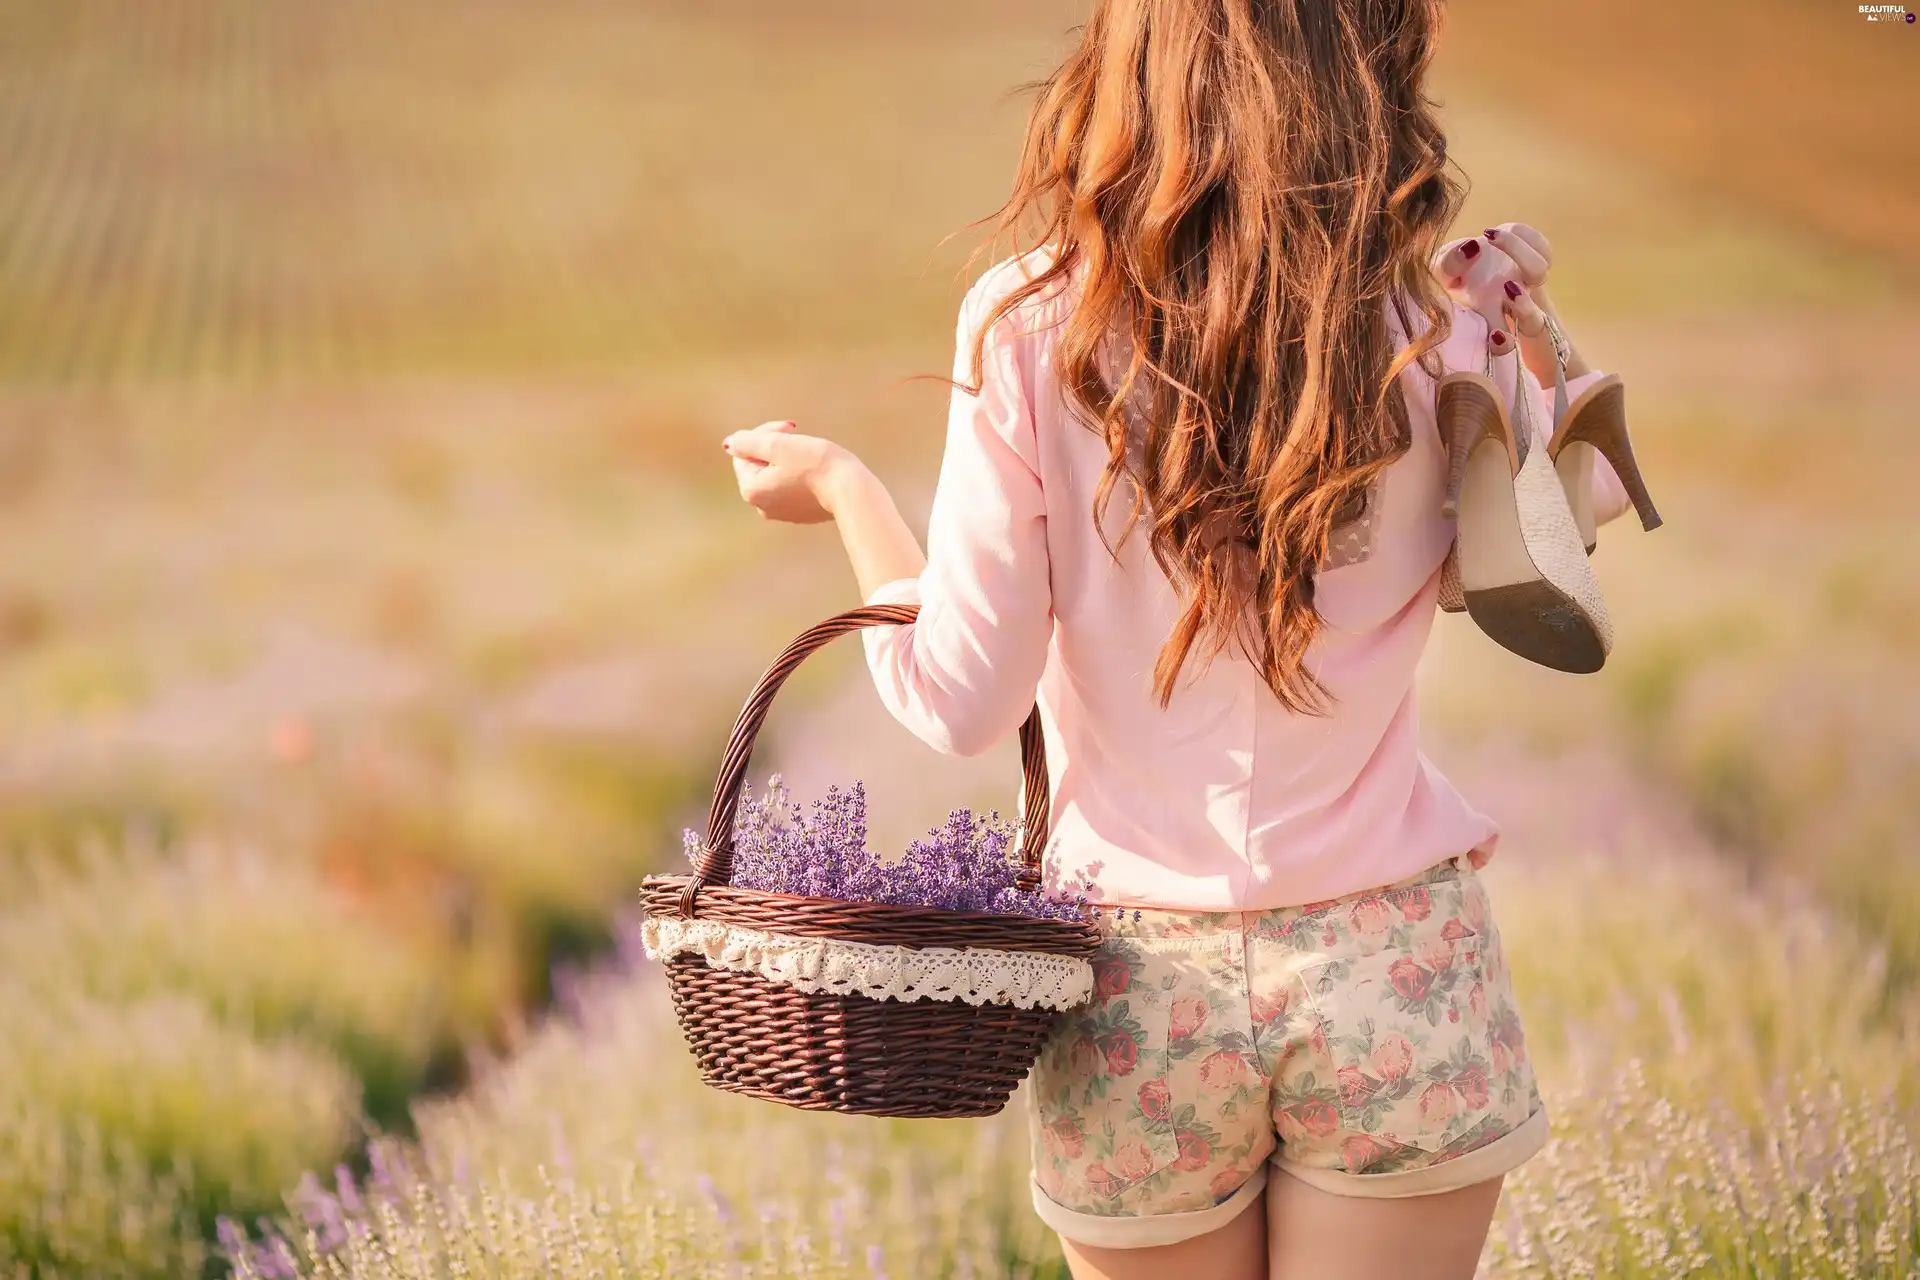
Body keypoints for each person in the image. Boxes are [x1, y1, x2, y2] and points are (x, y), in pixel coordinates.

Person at [719, 3, 1640, 1276]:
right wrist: (1518, 322)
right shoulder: (1426, 329)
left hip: (1138, 995)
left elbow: (958, 698)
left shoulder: (1030, 322)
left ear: (1131, 71)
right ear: (1365, 72)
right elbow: (1573, 512)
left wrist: (843, 492)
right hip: (1395, 969)